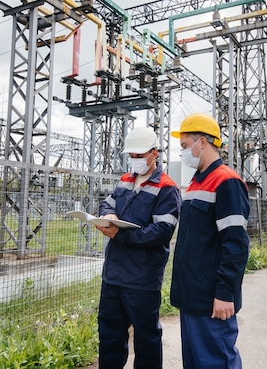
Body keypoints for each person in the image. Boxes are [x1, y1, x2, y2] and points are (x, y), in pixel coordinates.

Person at [95, 125, 182, 369]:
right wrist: (108, 214)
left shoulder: (167, 188)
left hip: (142, 279)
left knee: (146, 339)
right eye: (131, 156)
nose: (134, 160)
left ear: (154, 153)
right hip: (113, 276)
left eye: (139, 156)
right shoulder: (125, 181)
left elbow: (161, 232)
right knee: (110, 335)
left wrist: (119, 235)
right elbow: (106, 204)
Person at [169, 113, 250, 369]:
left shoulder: (226, 182)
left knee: (215, 361)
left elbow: (235, 244)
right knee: (194, 362)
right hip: (191, 295)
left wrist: (226, 292)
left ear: (201, 142)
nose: (183, 153)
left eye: (184, 146)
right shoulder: (196, 183)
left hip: (211, 300)